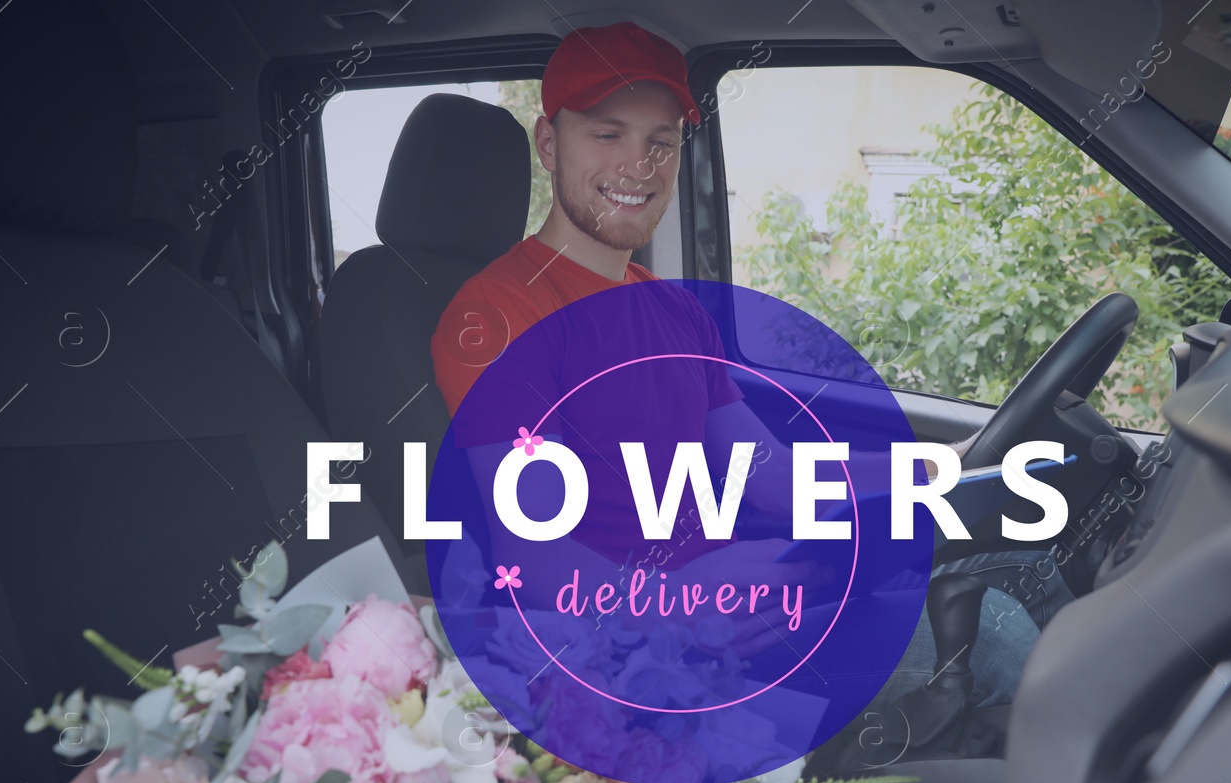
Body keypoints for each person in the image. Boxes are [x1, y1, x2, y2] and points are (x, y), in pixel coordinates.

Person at [427, 21, 1071, 711]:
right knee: (998, 640)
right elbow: (541, 559)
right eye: (607, 134)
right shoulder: (495, 317)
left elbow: (773, 478)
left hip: (747, 611)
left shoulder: (674, 311)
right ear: (549, 144)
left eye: (661, 142)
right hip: (635, 653)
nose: (638, 166)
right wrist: (683, 601)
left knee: (1030, 572)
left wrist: (948, 461)